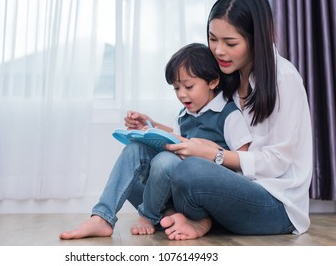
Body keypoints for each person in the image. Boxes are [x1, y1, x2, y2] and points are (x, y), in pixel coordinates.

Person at [153, 0, 313, 240]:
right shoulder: (228, 74)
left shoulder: (284, 78)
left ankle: (192, 217)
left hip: (275, 202)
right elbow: (197, 125)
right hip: (230, 188)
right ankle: (194, 218)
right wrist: (154, 129)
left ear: (255, 39)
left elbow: (277, 162)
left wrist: (215, 155)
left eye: (230, 43)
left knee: (190, 171)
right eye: (212, 39)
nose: (217, 51)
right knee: (147, 161)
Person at [59, 43, 252, 239]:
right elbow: (176, 139)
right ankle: (102, 217)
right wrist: (151, 127)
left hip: (203, 196)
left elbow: (244, 162)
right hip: (177, 192)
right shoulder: (184, 114)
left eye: (189, 86)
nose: (182, 94)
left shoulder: (229, 115)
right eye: (176, 88)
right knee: (133, 157)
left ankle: (150, 216)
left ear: (213, 82)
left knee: (165, 161)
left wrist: (211, 152)